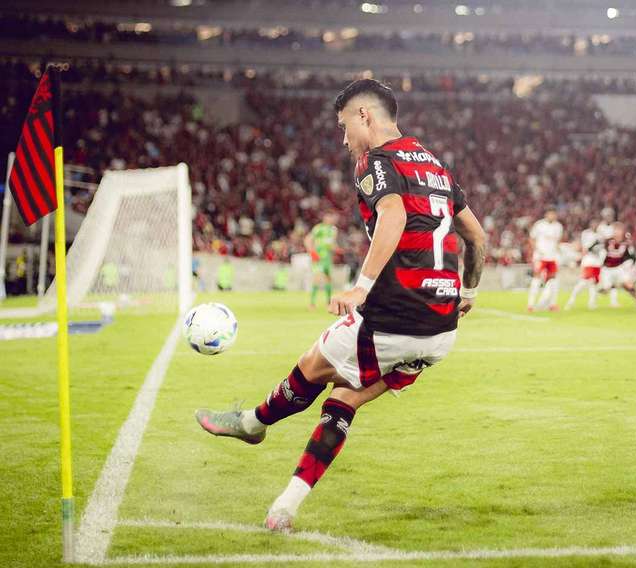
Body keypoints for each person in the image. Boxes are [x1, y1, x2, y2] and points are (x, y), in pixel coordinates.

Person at [195, 79, 487, 531]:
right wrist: (468, 292)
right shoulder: (435, 166)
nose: (343, 138)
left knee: (311, 366)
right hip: (441, 332)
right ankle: (284, 508)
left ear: (364, 116)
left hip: (393, 317)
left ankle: (252, 423)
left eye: (343, 125)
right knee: (345, 398)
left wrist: (361, 286)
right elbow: (478, 236)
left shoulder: (377, 161)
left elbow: (394, 214)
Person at [600, 223, 636, 311]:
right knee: (606, 289)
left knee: (629, 284)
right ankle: (608, 289)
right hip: (607, 269)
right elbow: (601, 253)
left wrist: (633, 262)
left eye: (619, 230)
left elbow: (629, 255)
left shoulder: (626, 242)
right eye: (616, 230)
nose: (617, 233)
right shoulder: (607, 241)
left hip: (619, 267)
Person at [527, 209, 563, 312]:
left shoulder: (558, 226)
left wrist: (558, 252)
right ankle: (531, 304)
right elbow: (531, 239)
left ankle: (552, 304)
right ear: (546, 214)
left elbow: (558, 241)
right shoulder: (539, 225)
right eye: (550, 213)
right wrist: (537, 250)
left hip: (552, 257)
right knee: (537, 278)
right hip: (541, 256)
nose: (552, 216)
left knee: (553, 280)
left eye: (554, 214)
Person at [565, 219, 604, 310]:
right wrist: (594, 244)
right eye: (593, 224)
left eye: (596, 224)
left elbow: (601, 249)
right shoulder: (586, 234)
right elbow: (586, 248)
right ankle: (571, 300)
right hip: (588, 261)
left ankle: (591, 302)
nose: (595, 226)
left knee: (593, 283)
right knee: (583, 282)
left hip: (597, 262)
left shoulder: (600, 235)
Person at [304, 212, 338, 308]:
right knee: (317, 278)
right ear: (324, 218)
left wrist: (337, 250)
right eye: (328, 217)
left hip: (327, 258)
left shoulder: (334, 230)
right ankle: (312, 303)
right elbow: (307, 240)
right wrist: (312, 252)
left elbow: (332, 244)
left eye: (331, 217)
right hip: (318, 257)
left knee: (328, 279)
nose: (330, 219)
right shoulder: (319, 228)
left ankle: (328, 302)